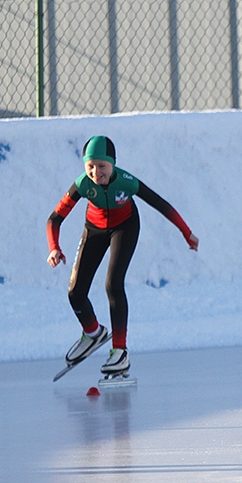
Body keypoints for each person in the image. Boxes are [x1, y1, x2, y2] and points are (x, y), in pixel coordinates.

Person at [46, 135, 199, 379]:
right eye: (90, 166)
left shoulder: (127, 182)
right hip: (94, 228)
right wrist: (54, 247)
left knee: (113, 284)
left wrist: (186, 232)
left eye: (102, 166)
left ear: (113, 164)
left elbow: (161, 205)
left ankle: (120, 351)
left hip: (124, 227)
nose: (96, 172)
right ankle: (93, 333)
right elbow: (54, 219)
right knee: (75, 292)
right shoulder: (82, 184)